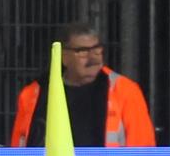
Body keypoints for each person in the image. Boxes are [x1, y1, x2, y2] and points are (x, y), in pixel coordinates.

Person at [11, 22, 156, 147]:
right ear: (64, 56)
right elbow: (19, 152)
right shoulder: (33, 94)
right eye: (83, 51)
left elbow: (142, 152)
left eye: (97, 49)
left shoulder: (125, 91)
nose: (93, 57)